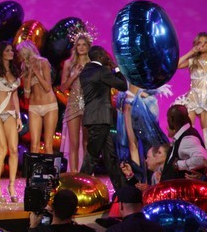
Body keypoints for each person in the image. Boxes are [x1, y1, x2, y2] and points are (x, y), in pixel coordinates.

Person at [79, 46, 127, 192]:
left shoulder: (85, 71)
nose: (108, 57)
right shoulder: (102, 71)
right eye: (106, 55)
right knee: (92, 155)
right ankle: (77, 188)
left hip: (95, 119)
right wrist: (116, 68)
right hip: (100, 119)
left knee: (110, 157)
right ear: (100, 57)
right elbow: (123, 85)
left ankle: (122, 191)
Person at [0, 42, 21, 201]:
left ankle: (12, 186)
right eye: (7, 50)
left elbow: (14, 95)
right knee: (2, 149)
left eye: (12, 50)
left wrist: (19, 116)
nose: (11, 52)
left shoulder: (14, 72)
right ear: (1, 53)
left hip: (11, 113)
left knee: (13, 150)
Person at [115, 84, 169, 175]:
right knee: (134, 144)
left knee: (150, 143)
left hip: (140, 102)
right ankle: (139, 176)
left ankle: (152, 175)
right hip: (130, 100)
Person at [17, 41, 58, 154]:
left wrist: (37, 73)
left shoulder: (43, 62)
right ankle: (33, 166)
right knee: (34, 144)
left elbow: (47, 87)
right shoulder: (24, 68)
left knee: (48, 144)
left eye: (20, 53)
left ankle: (49, 166)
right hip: (34, 107)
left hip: (49, 105)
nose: (19, 56)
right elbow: (26, 95)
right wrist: (29, 75)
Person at [174, 32, 207, 143]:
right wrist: (191, 52)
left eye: (205, 42)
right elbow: (176, 65)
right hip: (192, 101)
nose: (202, 45)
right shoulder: (193, 61)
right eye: (199, 42)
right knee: (187, 134)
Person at [60, 33, 91, 171]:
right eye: (78, 45)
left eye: (84, 45)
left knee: (86, 142)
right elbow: (63, 87)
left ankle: (86, 174)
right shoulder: (69, 64)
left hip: (89, 103)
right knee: (74, 143)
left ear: (88, 46)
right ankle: (74, 174)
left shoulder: (92, 64)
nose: (81, 47)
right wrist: (73, 76)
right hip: (73, 103)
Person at [161, 104, 207, 180]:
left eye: (168, 118)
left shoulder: (187, 138)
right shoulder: (182, 136)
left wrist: (178, 164)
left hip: (182, 187)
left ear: (172, 119)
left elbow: (202, 158)